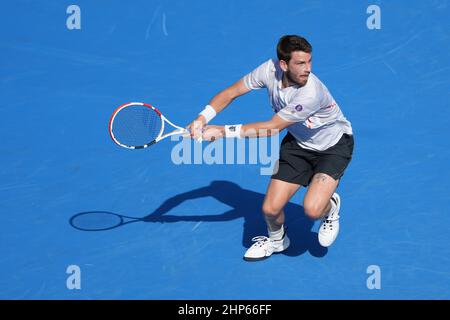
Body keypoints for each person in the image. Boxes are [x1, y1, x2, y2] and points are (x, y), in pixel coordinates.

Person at [187, 35, 354, 261]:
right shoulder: (268, 70)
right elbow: (231, 92)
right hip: (298, 144)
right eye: (300, 63)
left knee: (313, 210)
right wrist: (202, 118)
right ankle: (277, 241)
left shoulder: (310, 93)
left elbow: (271, 128)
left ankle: (330, 207)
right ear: (283, 65)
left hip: (333, 147)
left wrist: (222, 132)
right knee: (270, 210)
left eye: (309, 62)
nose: (308, 69)